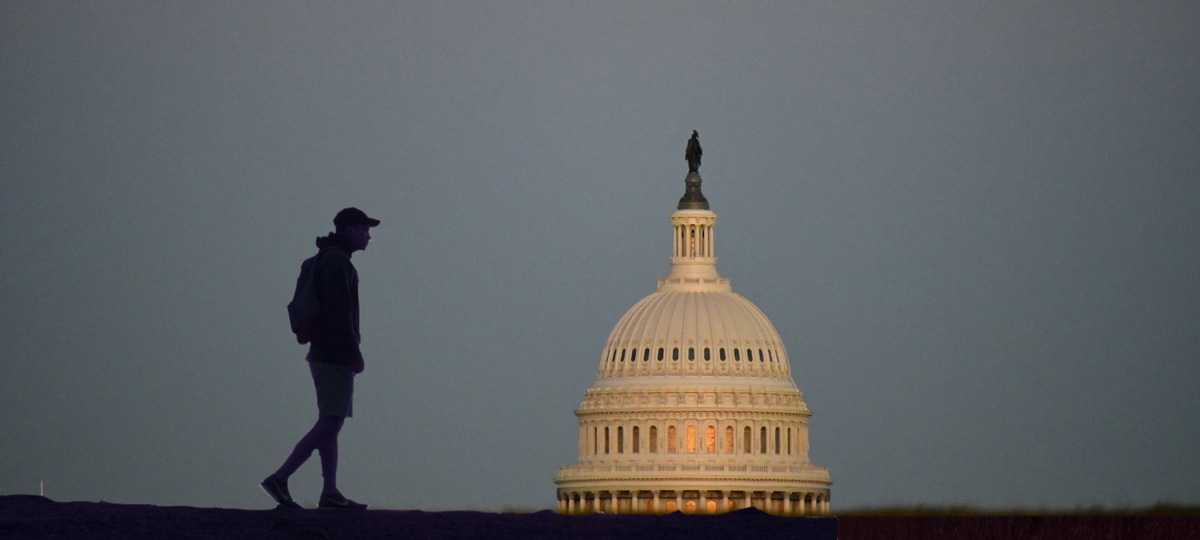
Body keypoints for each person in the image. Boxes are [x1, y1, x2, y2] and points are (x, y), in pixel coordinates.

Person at [261, 207, 380, 510]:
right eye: (365, 229)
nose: (368, 235)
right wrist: (354, 350)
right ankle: (281, 477)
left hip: (323, 351)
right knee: (331, 420)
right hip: (334, 352)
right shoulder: (338, 262)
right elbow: (339, 310)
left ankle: (330, 492)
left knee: (331, 420)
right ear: (350, 230)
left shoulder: (329, 258)